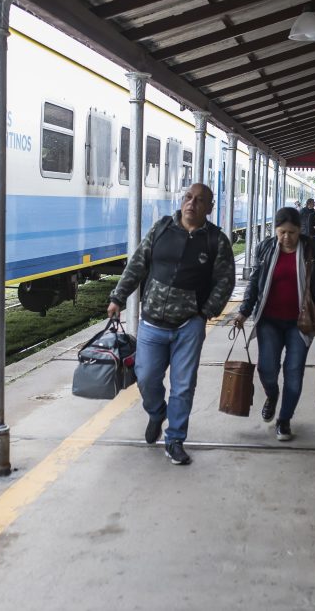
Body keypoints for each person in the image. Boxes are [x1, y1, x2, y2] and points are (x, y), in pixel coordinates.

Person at [107, 183, 235, 465]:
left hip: (189, 326)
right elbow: (137, 265)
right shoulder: (161, 229)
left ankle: (175, 439)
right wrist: (118, 297)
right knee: (146, 375)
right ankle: (156, 412)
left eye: (200, 200)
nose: (192, 203)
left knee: (183, 385)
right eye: (188, 197)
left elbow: (226, 281)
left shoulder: (216, 240)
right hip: (152, 324)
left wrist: (205, 313)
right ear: (182, 200)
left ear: (209, 208)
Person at [232, 207, 315, 440]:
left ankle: (284, 420)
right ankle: (272, 395)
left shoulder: (313, 249)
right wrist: (243, 312)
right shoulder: (265, 248)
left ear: (299, 230)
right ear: (276, 230)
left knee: (294, 371)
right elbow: (254, 283)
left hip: (300, 323)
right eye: (281, 232)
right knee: (266, 369)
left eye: (291, 233)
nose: (286, 238)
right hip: (269, 321)